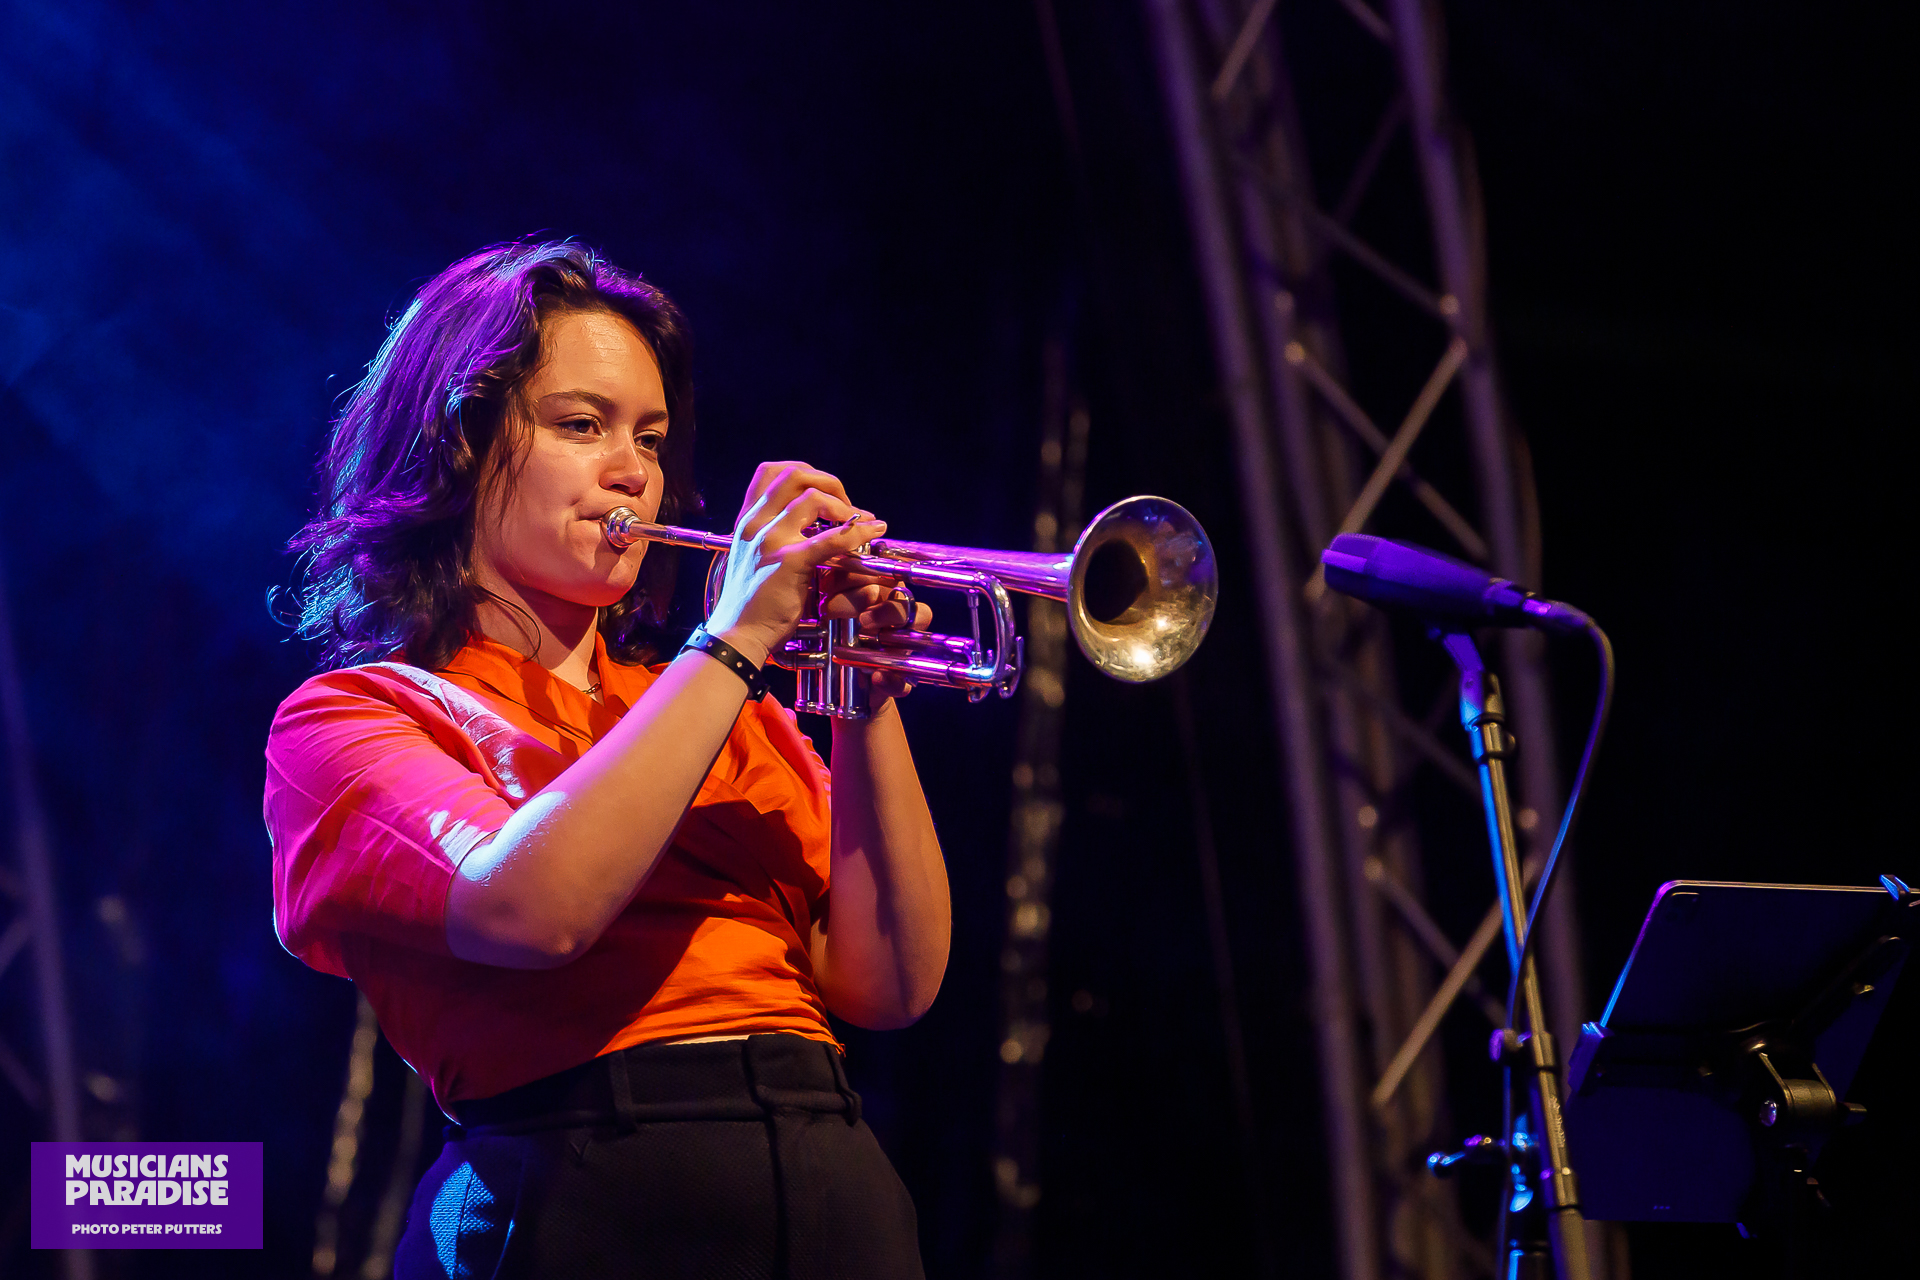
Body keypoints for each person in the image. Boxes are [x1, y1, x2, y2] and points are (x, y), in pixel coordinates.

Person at [265, 240, 947, 1278]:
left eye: (651, 438)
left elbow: (891, 982)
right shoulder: (355, 718)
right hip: (580, 1184)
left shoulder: (729, 708)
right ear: (461, 441)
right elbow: (537, 909)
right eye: (582, 425)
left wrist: (866, 697)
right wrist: (733, 641)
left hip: (832, 1178)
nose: (634, 471)